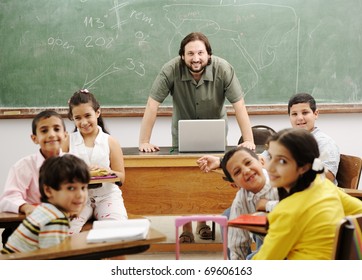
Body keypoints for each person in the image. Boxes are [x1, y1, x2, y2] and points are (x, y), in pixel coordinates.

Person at [138, 32, 255, 242]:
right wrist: (144, 141)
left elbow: (239, 106)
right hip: (182, 136)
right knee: (185, 178)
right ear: (182, 56)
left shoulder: (223, 69)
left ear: (208, 55)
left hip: (215, 134)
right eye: (190, 53)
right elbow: (152, 105)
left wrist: (249, 140)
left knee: (208, 176)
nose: (196, 58)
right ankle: (186, 228)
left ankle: (203, 222)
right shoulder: (170, 70)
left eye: (200, 53)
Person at [252, 128, 362, 260]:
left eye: (282, 161)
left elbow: (263, 263)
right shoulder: (322, 184)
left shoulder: (288, 211)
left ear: (304, 167)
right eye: (270, 157)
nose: (270, 167)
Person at [63, 89, 127, 234]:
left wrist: (107, 172)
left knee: (117, 231)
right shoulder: (68, 141)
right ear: (72, 118)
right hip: (78, 198)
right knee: (65, 231)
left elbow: (122, 177)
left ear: (97, 113)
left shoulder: (110, 141)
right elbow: (57, 174)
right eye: (78, 118)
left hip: (107, 197)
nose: (84, 122)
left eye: (87, 116)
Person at [0, 110, 67, 246]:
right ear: (34, 138)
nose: (51, 134)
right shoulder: (23, 166)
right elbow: (8, 198)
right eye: (44, 130)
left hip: (63, 225)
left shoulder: (73, 163)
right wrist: (26, 207)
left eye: (56, 129)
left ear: (65, 135)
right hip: (29, 225)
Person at [1, 154, 89, 254]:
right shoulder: (55, 219)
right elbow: (52, 258)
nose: (80, 195)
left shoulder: (45, 209)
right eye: (71, 188)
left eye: (83, 188)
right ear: (48, 190)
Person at [219, 146, 278, 260]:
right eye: (237, 172)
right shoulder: (241, 199)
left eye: (248, 162)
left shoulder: (284, 180)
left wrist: (267, 205)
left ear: (261, 161)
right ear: (235, 184)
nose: (246, 171)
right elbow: (237, 243)